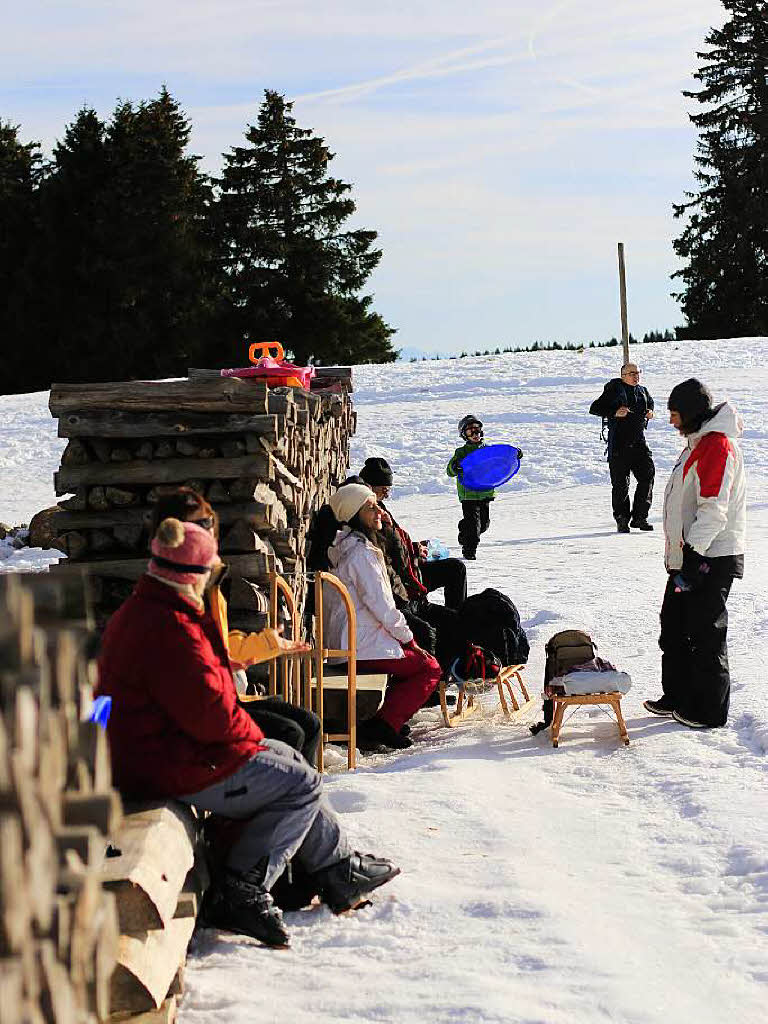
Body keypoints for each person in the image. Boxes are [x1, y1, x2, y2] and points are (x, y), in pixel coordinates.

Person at [97, 517, 399, 947]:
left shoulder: (152, 610)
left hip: (160, 751)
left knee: (292, 760)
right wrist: (251, 742)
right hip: (165, 762)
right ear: (192, 574)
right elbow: (211, 717)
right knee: (300, 783)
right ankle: (243, 888)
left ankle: (338, 870)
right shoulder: (170, 628)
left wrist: (255, 741)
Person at [150, 488, 321, 766]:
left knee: (309, 724)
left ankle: (298, 797)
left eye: (209, 523)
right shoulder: (168, 594)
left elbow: (222, 648)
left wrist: (268, 643)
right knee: (290, 733)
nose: (210, 532)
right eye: (200, 525)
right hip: (201, 714)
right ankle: (284, 798)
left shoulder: (209, 586)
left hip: (224, 697)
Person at [643, 379, 746, 729]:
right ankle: (679, 696)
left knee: (705, 632)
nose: (670, 421)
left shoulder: (716, 446)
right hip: (688, 555)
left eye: (674, 414)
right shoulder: (695, 444)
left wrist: (694, 555)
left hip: (710, 556)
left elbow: (714, 509)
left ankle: (709, 711)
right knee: (673, 626)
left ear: (690, 413)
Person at [324, 483, 442, 751]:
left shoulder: (345, 546)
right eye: (370, 507)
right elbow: (383, 607)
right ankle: (384, 725)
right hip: (358, 644)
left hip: (349, 639)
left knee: (412, 658)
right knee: (429, 667)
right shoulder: (361, 554)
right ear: (354, 514)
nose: (379, 510)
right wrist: (409, 640)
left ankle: (389, 718)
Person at [590, 362, 655, 533]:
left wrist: (650, 412)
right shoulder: (614, 389)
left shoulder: (643, 390)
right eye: (631, 373)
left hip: (639, 443)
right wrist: (614, 412)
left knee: (647, 476)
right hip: (619, 443)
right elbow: (595, 408)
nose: (636, 376)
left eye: (638, 372)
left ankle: (640, 517)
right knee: (620, 484)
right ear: (623, 376)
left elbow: (650, 404)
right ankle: (622, 519)